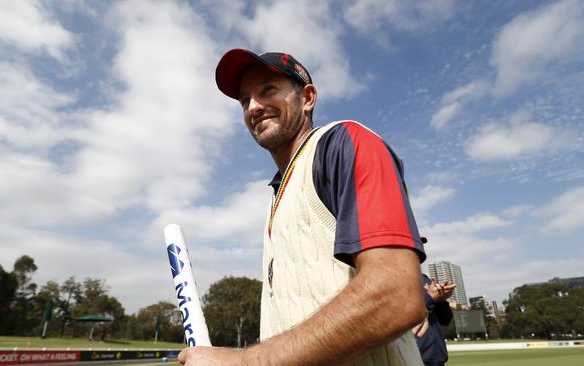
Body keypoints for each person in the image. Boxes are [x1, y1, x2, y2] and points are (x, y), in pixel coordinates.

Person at [178, 49, 428, 365]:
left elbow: (395, 296)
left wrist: (245, 363)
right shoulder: (275, 194)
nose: (253, 107)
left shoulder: (344, 143)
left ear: (308, 98)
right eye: (244, 100)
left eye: (268, 90)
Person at [414, 272, 456, 366]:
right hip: (413, 359)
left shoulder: (425, 279)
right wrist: (429, 297)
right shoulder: (392, 281)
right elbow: (402, 315)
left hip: (438, 359)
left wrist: (442, 299)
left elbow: (445, 320)